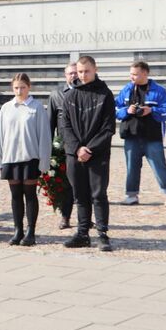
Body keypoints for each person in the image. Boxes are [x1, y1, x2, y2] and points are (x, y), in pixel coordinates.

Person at [59, 56, 116, 252]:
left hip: (97, 154)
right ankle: (83, 233)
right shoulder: (70, 96)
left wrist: (89, 149)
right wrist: (77, 148)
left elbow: (108, 128)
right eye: (80, 72)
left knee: (98, 194)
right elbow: (65, 126)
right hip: (75, 154)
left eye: (86, 71)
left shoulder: (105, 94)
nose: (82, 75)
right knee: (80, 195)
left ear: (95, 69)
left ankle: (102, 234)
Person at [0, 73, 51, 247]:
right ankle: (17, 230)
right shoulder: (6, 108)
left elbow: (44, 136)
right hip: (11, 158)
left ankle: (30, 231)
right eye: (16, 88)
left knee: (30, 195)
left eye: (23, 87)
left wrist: (44, 162)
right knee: (15, 196)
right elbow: (0, 136)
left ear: (29, 87)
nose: (19, 91)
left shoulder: (37, 107)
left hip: (30, 158)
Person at [115, 61, 166, 207]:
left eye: (135, 74)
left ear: (145, 73)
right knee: (131, 166)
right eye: (131, 74)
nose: (132, 77)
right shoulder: (126, 89)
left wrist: (152, 111)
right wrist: (127, 111)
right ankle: (131, 195)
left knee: (159, 166)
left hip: (152, 137)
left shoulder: (159, 90)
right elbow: (114, 108)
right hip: (131, 136)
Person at [48, 62, 78, 229]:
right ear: (65, 76)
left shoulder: (87, 92)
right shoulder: (56, 94)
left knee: (85, 185)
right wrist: (49, 148)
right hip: (64, 148)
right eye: (70, 73)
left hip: (85, 146)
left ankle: (85, 218)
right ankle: (65, 217)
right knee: (66, 185)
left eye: (76, 73)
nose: (73, 76)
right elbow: (49, 124)